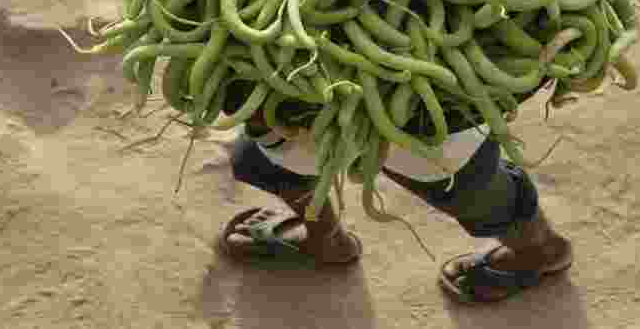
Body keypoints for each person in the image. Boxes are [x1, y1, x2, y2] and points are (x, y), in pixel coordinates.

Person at [217, 106, 573, 304]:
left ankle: (540, 251)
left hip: (428, 111)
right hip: (287, 106)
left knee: (470, 190)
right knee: (266, 159)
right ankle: (325, 239)